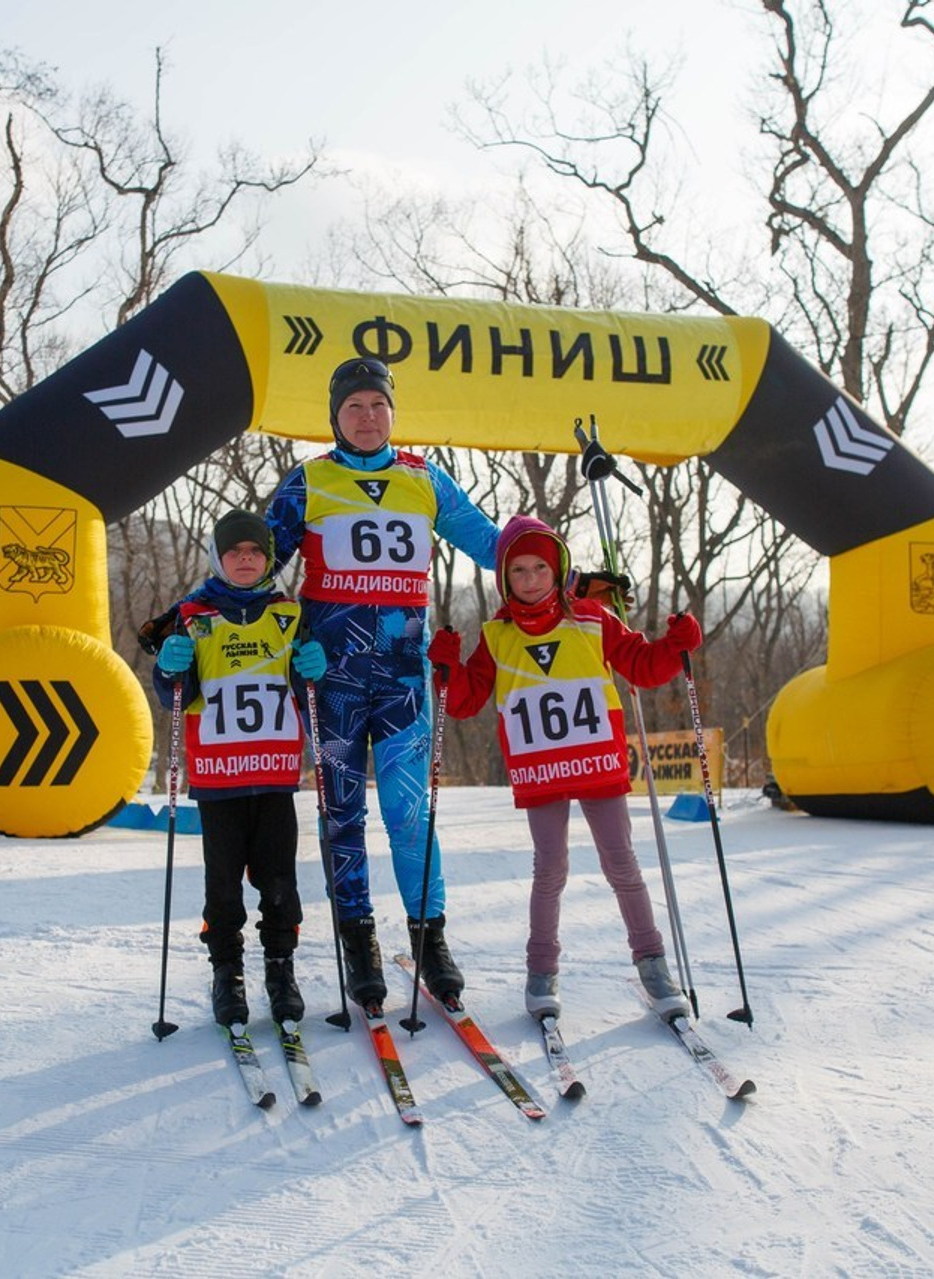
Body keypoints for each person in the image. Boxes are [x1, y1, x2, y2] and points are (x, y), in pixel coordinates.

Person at [266, 357, 499, 1009]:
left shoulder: (424, 479)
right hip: (330, 680)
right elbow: (253, 569)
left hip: (401, 679)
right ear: (335, 418)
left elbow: (493, 545)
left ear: (393, 412)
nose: (366, 418)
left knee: (408, 813)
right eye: (352, 408)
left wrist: (563, 572)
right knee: (342, 814)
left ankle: (430, 937)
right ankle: (358, 938)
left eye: (377, 405)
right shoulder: (308, 481)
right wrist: (265, 638)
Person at [426, 514, 703, 1022]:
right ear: (504, 578)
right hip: (542, 770)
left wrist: (675, 647)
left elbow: (641, 664)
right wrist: (446, 669)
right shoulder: (497, 634)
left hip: (596, 760)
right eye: (519, 571)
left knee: (622, 864)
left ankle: (652, 963)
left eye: (539, 569)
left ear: (557, 572)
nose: (530, 580)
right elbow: (466, 702)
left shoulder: (593, 618)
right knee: (549, 869)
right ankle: (541, 971)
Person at [145, 509, 328, 1029]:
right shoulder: (193, 615)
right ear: (218, 559)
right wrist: (168, 668)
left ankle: (279, 967)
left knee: (279, 880)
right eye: (234, 552)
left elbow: (305, 685)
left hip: (273, 773)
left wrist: (315, 666)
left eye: (254, 552)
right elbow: (175, 696)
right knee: (222, 885)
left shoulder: (290, 614)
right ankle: (227, 971)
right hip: (218, 778)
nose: (245, 560)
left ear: (268, 558)